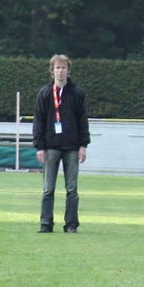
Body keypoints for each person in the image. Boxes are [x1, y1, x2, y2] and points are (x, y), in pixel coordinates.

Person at [32, 54, 89, 233]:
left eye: (63, 67)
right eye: (57, 67)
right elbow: (38, 121)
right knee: (48, 189)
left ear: (68, 70)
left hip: (72, 148)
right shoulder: (45, 93)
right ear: (52, 70)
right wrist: (39, 147)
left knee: (72, 189)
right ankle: (46, 224)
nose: (60, 71)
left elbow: (83, 120)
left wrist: (83, 145)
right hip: (50, 148)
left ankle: (71, 225)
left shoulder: (77, 93)